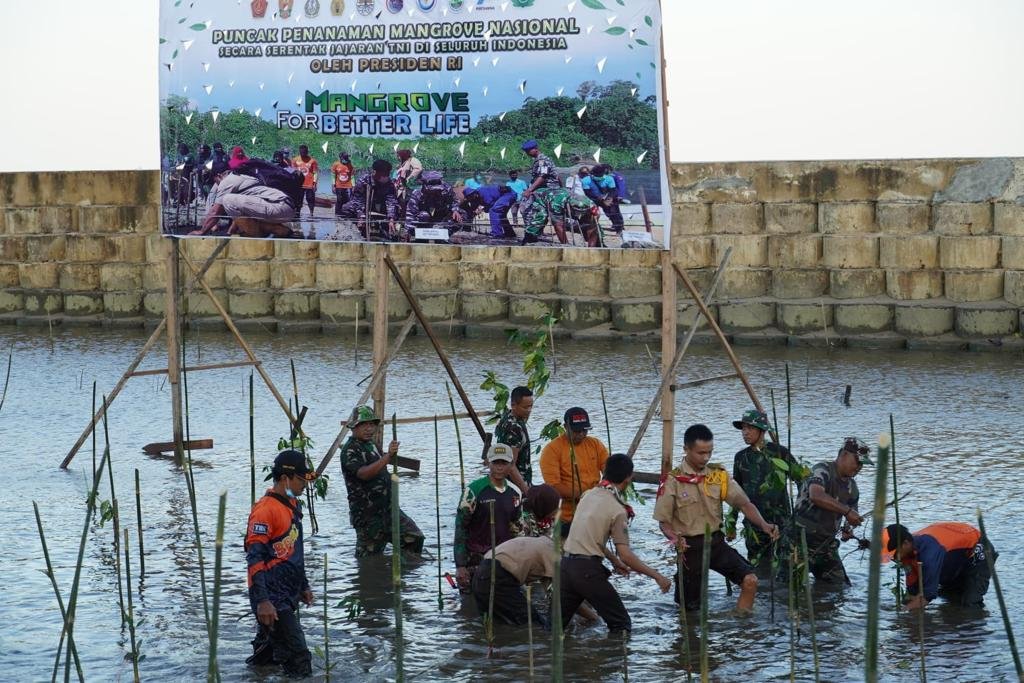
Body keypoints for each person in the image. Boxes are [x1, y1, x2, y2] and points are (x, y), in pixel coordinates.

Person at [654, 424, 780, 613]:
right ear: (686, 449)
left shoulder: (718, 476)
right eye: (701, 453)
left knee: (750, 580)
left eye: (709, 452)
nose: (706, 458)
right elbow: (664, 522)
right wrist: (674, 538)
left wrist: (763, 524)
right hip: (690, 549)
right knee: (690, 611)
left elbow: (744, 504)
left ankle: (742, 624)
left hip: (716, 544)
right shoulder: (672, 481)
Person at [561, 453, 672, 633]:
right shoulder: (617, 509)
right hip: (587, 572)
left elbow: (589, 537)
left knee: (554, 626)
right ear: (628, 478)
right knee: (621, 625)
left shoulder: (587, 495)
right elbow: (626, 555)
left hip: (565, 566)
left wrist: (614, 561)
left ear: (605, 472)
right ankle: (613, 652)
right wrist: (657, 576)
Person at [244, 449, 315, 677]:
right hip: (272, 597)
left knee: (267, 658)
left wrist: (303, 585)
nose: (305, 485)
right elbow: (254, 558)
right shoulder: (265, 511)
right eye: (301, 480)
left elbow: (295, 551)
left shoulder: (293, 505)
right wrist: (263, 601)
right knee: (299, 658)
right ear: (285, 478)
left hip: (288, 591)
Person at [339, 405, 425, 557]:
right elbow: (364, 474)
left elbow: (381, 468)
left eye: (371, 424)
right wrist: (388, 456)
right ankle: (375, 569)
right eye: (364, 425)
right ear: (354, 427)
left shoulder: (372, 445)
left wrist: (388, 457)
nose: (369, 429)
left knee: (414, 538)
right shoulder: (350, 450)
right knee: (369, 557)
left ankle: (396, 568)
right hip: (368, 515)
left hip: (388, 510)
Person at [725, 409, 806, 569]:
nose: (745, 432)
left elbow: (802, 481)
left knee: (784, 568)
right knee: (757, 569)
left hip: (781, 523)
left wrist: (799, 513)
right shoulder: (741, 457)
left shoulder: (779, 453)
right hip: (753, 526)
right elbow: (736, 493)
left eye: (750, 428)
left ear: (762, 431)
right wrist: (731, 523)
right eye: (743, 428)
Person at [472, 484, 560, 626]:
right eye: (555, 508)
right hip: (500, 574)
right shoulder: (526, 523)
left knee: (497, 624)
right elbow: (556, 594)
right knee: (534, 625)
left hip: (486, 569)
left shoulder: (541, 524)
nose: (556, 512)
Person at [791, 437, 873, 584]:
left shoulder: (852, 488)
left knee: (840, 586)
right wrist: (847, 512)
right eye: (857, 462)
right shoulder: (822, 469)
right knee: (790, 588)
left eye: (862, 464)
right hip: (798, 542)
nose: (859, 467)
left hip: (825, 546)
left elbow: (851, 516)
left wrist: (848, 529)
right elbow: (816, 495)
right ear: (844, 455)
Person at [454, 443, 523, 591]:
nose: (499, 467)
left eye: (504, 463)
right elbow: (461, 527)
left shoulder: (515, 493)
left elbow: (517, 530)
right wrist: (460, 565)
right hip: (475, 559)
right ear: (488, 463)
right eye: (496, 462)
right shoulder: (473, 491)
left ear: (511, 465)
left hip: (504, 558)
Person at [884, 522, 996, 609]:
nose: (894, 559)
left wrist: (904, 613)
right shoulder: (908, 551)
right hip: (954, 558)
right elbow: (914, 589)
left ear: (905, 543)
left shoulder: (929, 554)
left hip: (979, 551)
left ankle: (976, 627)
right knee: (950, 598)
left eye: (894, 554)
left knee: (970, 603)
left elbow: (928, 595)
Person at [539, 407, 609, 537]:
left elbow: (609, 471)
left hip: (594, 511)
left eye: (584, 430)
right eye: (576, 431)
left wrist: (603, 489)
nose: (581, 434)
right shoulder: (552, 450)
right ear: (566, 427)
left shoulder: (595, 444)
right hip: (566, 517)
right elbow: (553, 486)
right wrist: (584, 496)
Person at [190, 164, 296, 238]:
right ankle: (277, 229)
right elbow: (239, 214)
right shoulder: (241, 177)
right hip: (283, 207)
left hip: (278, 206)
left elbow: (215, 211)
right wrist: (230, 232)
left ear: (219, 176)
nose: (216, 185)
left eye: (214, 181)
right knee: (232, 202)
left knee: (227, 200)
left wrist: (202, 231)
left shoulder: (227, 182)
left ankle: (258, 235)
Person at [338, 159, 399, 239]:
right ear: (375, 172)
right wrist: (361, 216)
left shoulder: (389, 184)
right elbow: (358, 201)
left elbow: (391, 201)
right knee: (346, 208)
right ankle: (352, 230)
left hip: (381, 208)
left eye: (388, 174)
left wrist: (391, 218)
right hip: (364, 207)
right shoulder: (363, 181)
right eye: (384, 174)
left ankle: (386, 230)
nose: (386, 176)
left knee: (397, 209)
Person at [518, 139, 562, 245]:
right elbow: (557, 176)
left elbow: (542, 177)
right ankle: (534, 235)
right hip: (548, 190)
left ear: (536, 149)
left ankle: (531, 236)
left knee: (527, 211)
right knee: (537, 213)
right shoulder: (541, 160)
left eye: (528, 151)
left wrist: (529, 190)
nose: (527, 153)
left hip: (547, 191)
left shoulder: (542, 160)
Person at [493, 386, 534, 493]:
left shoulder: (507, 417)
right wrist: (527, 492)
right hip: (516, 488)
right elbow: (511, 466)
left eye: (531, 406)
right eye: (525, 407)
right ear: (513, 405)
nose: (529, 411)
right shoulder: (514, 428)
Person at [404, 170, 464, 240]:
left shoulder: (446, 188)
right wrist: (408, 230)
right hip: (424, 216)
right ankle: (423, 236)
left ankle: (444, 235)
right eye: (432, 190)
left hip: (441, 212)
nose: (434, 192)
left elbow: (454, 200)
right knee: (423, 215)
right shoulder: (417, 193)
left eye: (437, 191)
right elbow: (411, 213)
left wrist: (455, 210)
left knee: (461, 214)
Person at [584, 165, 625, 234]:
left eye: (601, 175)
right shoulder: (586, 180)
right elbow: (587, 192)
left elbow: (613, 190)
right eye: (597, 175)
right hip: (594, 198)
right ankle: (589, 228)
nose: (600, 176)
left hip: (607, 197)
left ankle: (619, 228)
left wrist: (609, 199)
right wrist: (598, 199)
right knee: (590, 213)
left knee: (613, 212)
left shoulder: (610, 178)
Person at [291, 145, 319, 218]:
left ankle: (311, 214)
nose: (303, 153)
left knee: (310, 199)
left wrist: (315, 183)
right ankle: (297, 214)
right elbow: (293, 172)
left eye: (305, 152)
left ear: (307, 152)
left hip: (309, 184)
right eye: (302, 152)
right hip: (299, 184)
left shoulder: (313, 161)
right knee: (298, 200)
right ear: (299, 151)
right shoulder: (295, 160)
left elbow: (315, 173)